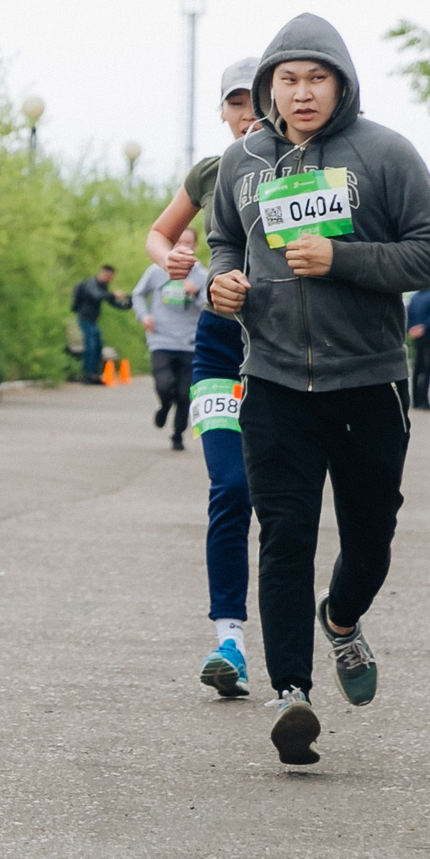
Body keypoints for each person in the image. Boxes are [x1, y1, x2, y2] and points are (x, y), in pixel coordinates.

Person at [206, 15, 430, 766]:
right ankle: (292, 694)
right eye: (288, 79)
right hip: (274, 379)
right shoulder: (243, 160)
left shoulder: (384, 153)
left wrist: (341, 259)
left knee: (370, 537)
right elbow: (225, 238)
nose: (303, 92)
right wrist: (223, 282)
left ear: (342, 84)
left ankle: (341, 620)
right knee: (284, 535)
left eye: (317, 78)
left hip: (368, 382)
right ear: (268, 88)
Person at [143, 54, 262, 695]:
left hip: (292, 350)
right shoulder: (212, 172)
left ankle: (326, 625)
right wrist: (173, 258)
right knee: (231, 488)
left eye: (259, 99)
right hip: (218, 347)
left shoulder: (311, 170)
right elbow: (159, 235)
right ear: (222, 112)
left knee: (286, 503)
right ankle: (229, 641)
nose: (250, 113)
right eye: (237, 102)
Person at [130, 256, 205, 452]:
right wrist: (144, 316)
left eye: (188, 243)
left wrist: (197, 293)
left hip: (190, 342)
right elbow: (138, 294)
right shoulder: (156, 271)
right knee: (164, 385)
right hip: (161, 338)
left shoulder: (202, 275)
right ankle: (165, 406)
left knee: (184, 393)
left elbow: (211, 305)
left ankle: (178, 434)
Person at [69, 264, 130, 384]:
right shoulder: (91, 283)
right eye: (109, 277)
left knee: (97, 347)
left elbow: (112, 302)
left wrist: (127, 304)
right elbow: (96, 295)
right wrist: (113, 294)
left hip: (93, 321)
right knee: (91, 346)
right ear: (103, 273)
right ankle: (88, 375)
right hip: (85, 318)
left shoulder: (103, 287)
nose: (110, 280)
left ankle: (94, 375)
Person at [405, 285, 430, 409]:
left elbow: (408, 313)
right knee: (428, 368)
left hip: (416, 336)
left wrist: (411, 328)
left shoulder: (415, 297)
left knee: (417, 367)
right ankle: (424, 401)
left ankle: (415, 400)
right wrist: (424, 328)